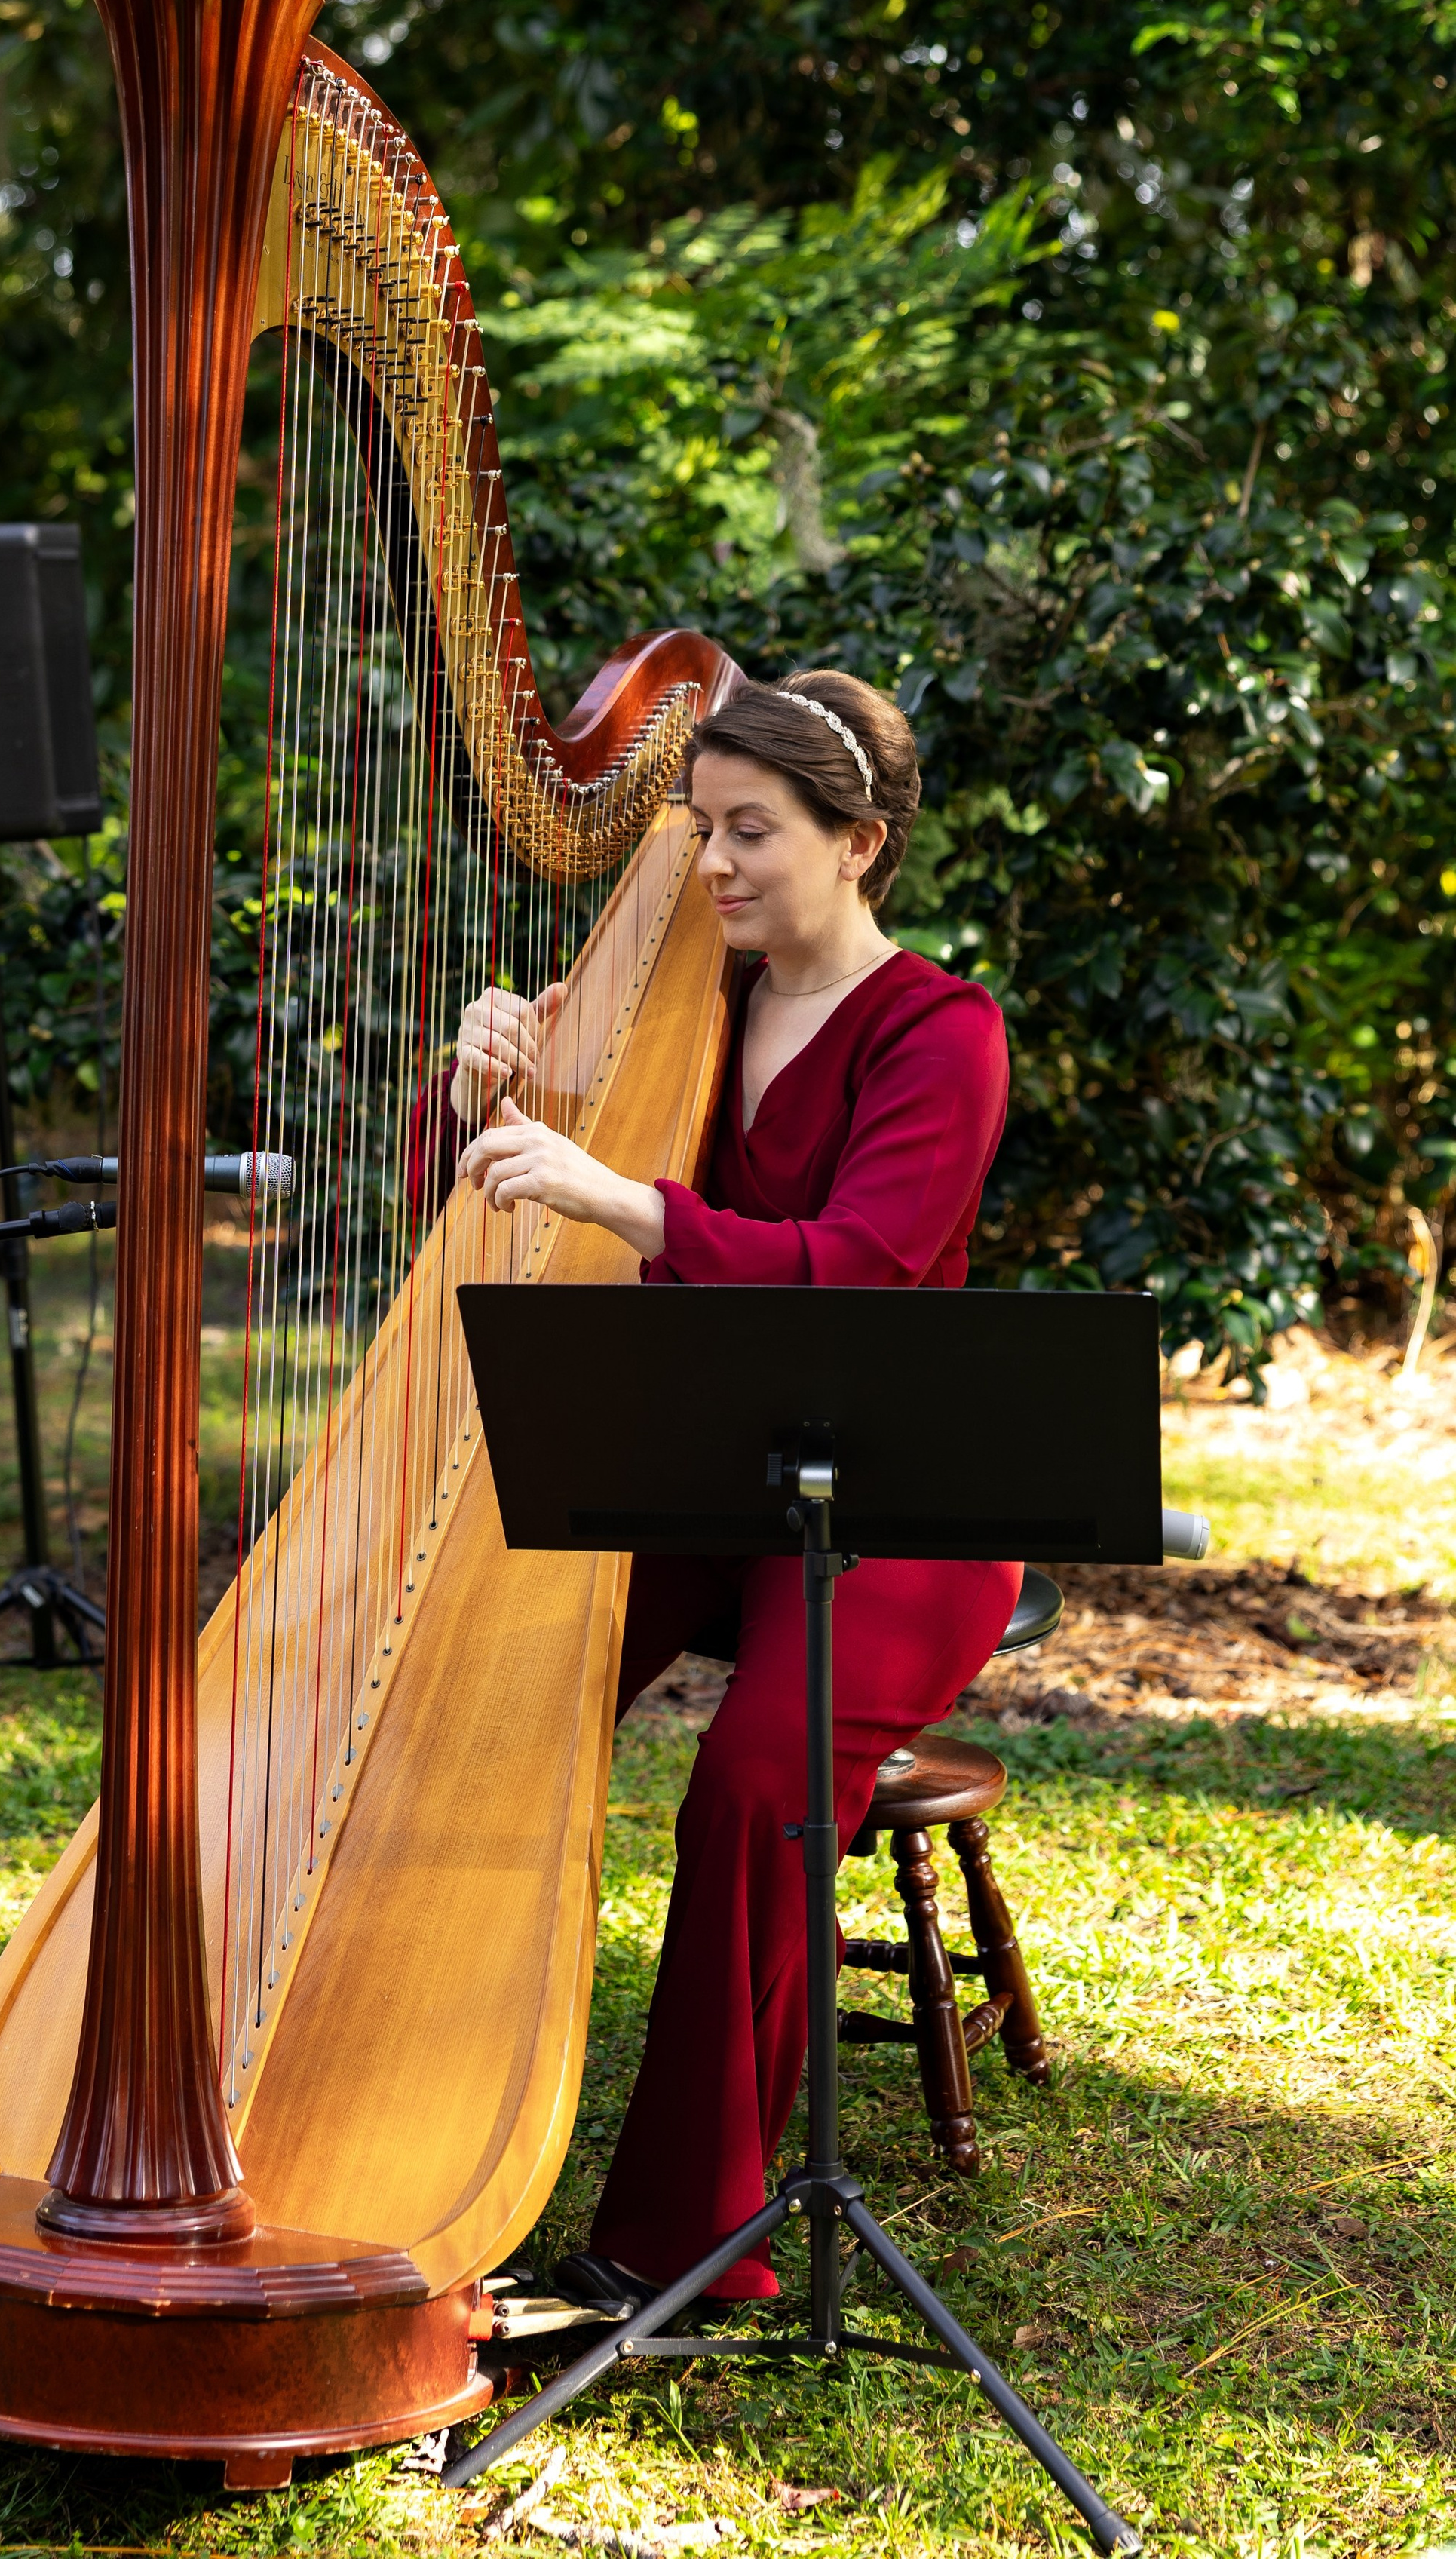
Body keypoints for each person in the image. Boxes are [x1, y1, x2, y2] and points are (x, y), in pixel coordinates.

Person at [451, 667, 1019, 2315]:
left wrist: (623, 1199)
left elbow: (852, 1270)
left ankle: (685, 2241)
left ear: (860, 843)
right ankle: (415, 2093)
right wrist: (479, 1078)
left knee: (755, 1779)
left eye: (750, 832)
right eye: (698, 828)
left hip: (896, 1505)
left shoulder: (941, 1033)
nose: (711, 863)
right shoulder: (677, 993)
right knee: (490, 1677)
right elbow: (494, 1187)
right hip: (703, 1471)